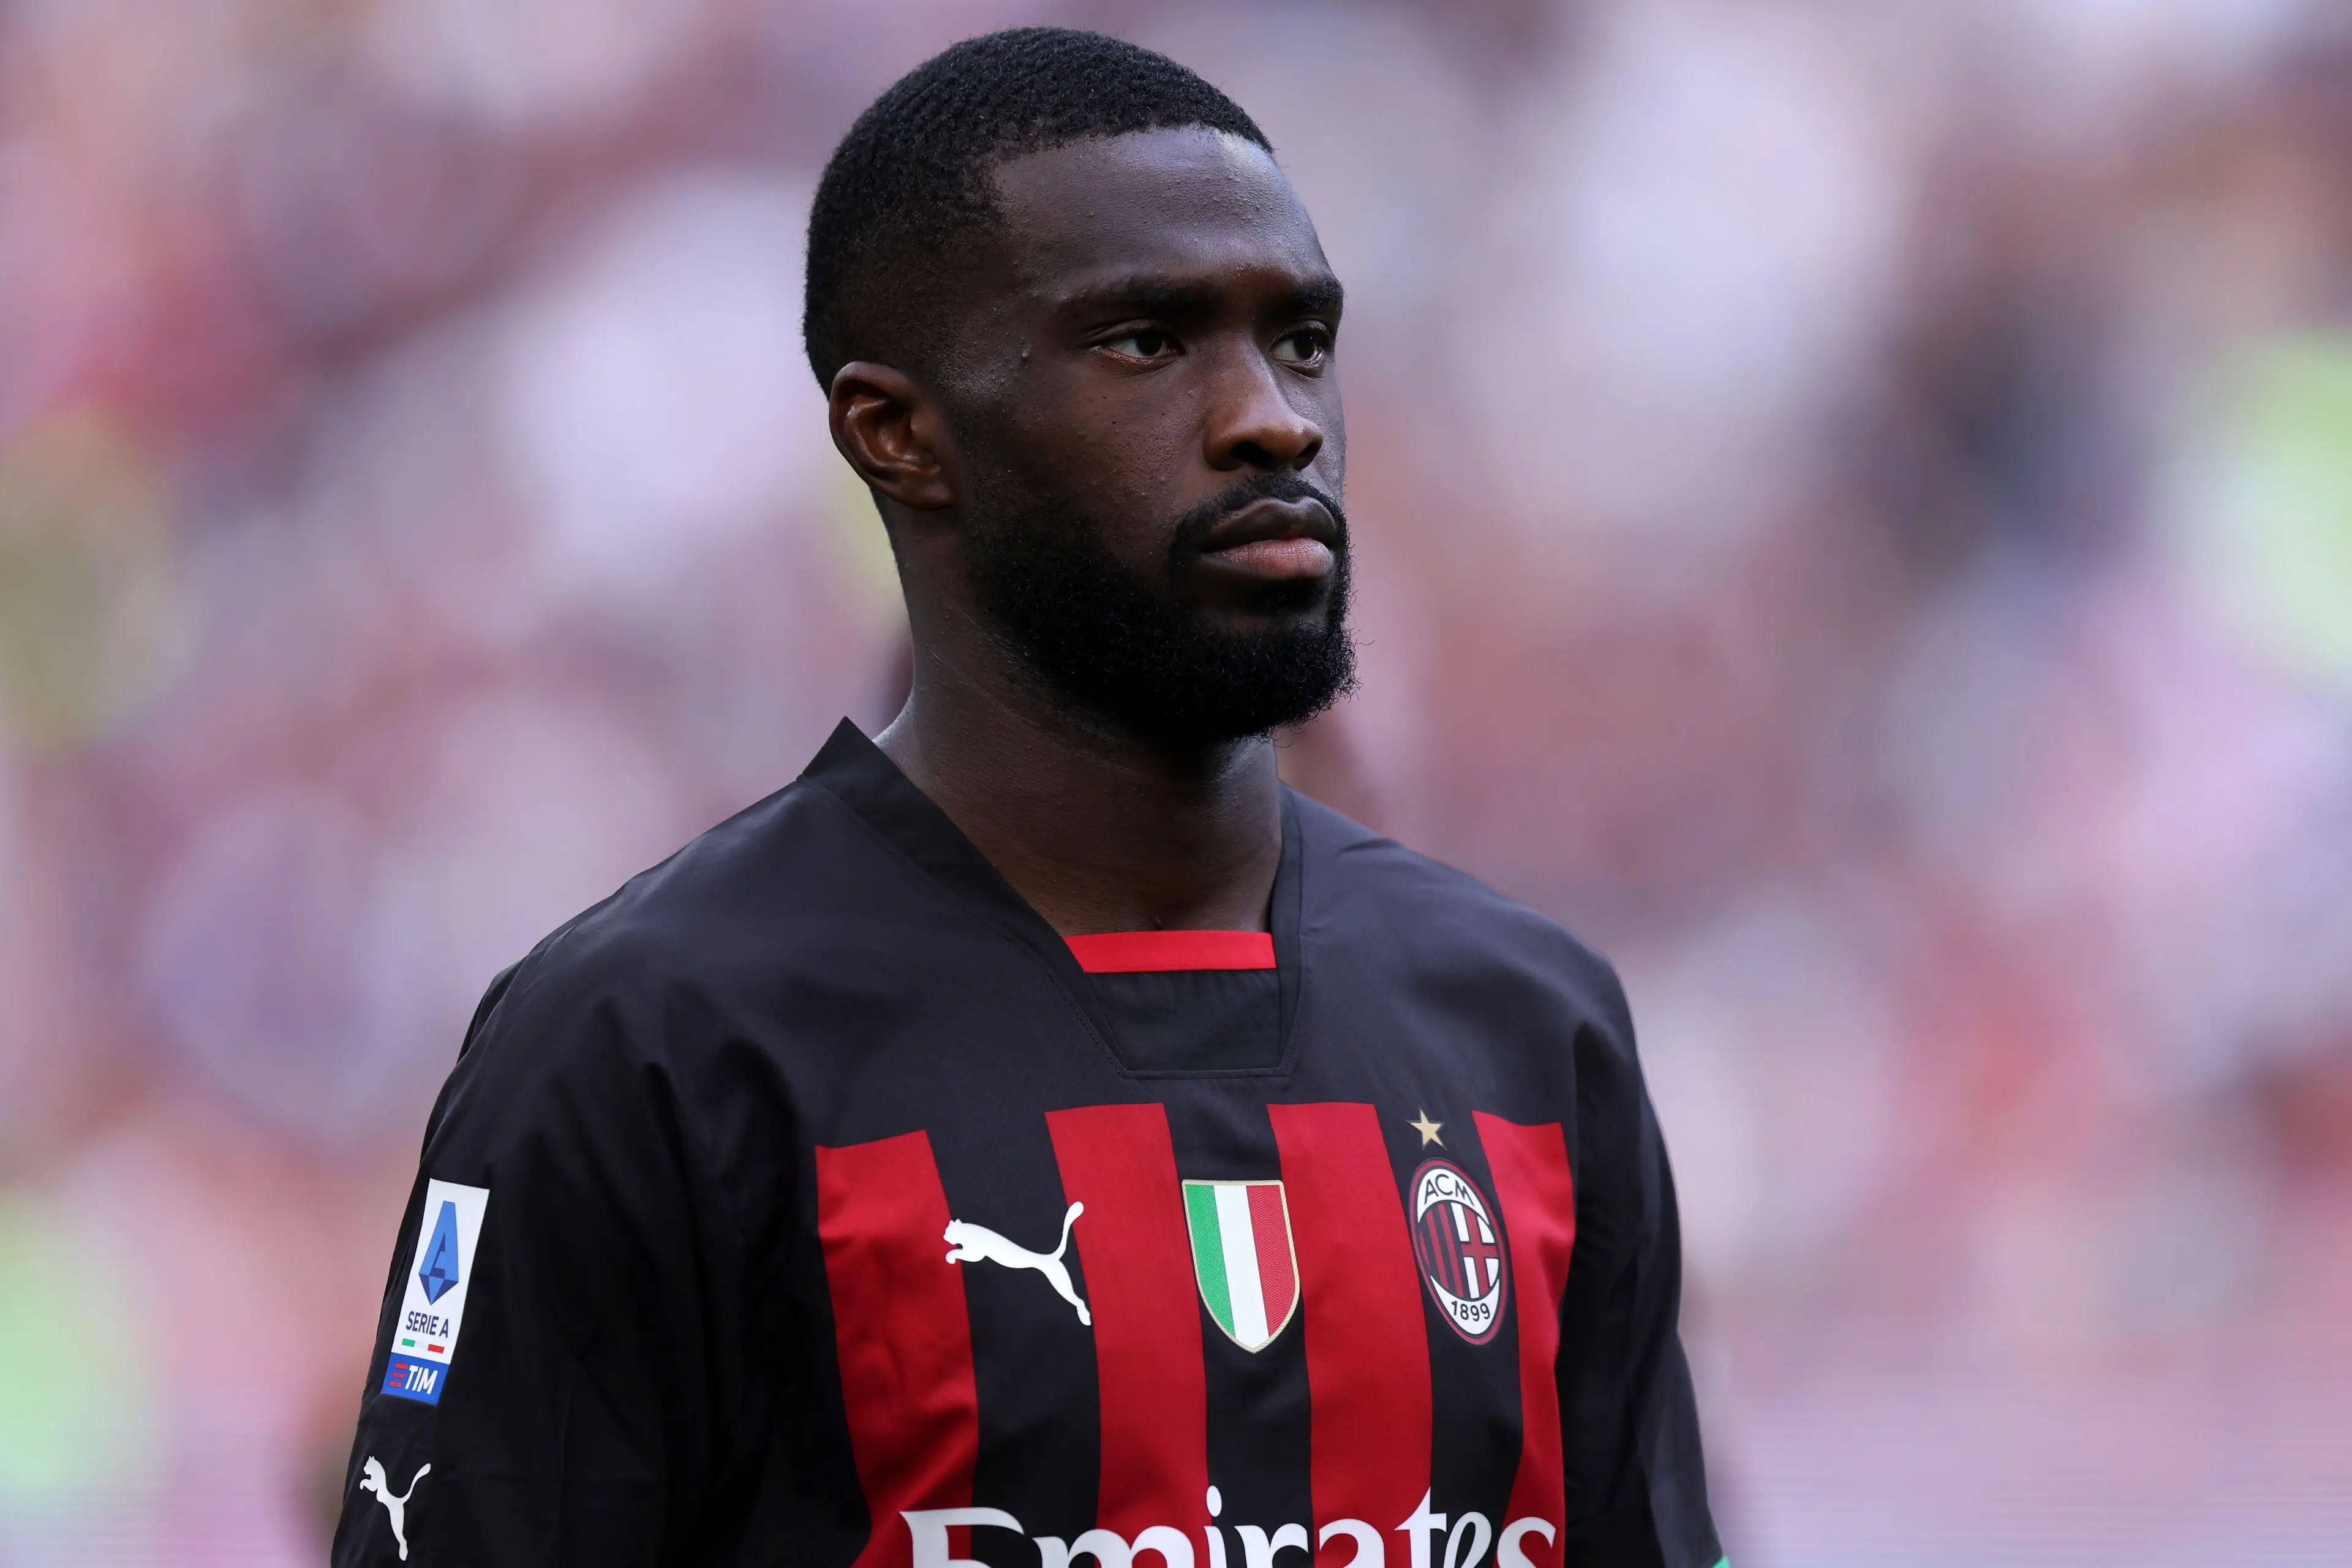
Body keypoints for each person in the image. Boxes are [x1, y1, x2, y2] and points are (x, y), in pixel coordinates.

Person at [331, 27, 1724, 1568]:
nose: (1274, 416)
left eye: (1302, 338)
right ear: (898, 434)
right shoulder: (650, 1047)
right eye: (1146, 341)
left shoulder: (1529, 1027)